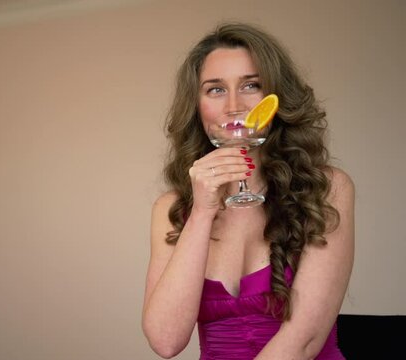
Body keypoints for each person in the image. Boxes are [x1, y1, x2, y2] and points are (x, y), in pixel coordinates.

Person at [142, 22, 354, 359]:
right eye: (215, 89)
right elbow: (166, 341)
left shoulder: (327, 189)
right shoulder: (170, 209)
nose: (234, 106)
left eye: (251, 85)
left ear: (276, 97)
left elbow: (304, 341)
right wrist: (201, 213)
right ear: (197, 106)